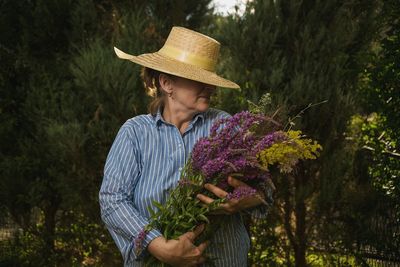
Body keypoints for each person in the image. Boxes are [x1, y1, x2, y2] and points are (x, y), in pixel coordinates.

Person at [99, 26, 267, 267]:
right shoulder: (135, 132)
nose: (210, 87)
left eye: (210, 81)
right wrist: (159, 246)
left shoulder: (225, 126)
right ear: (167, 83)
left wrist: (247, 199)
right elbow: (112, 199)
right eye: (199, 80)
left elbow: (264, 188)